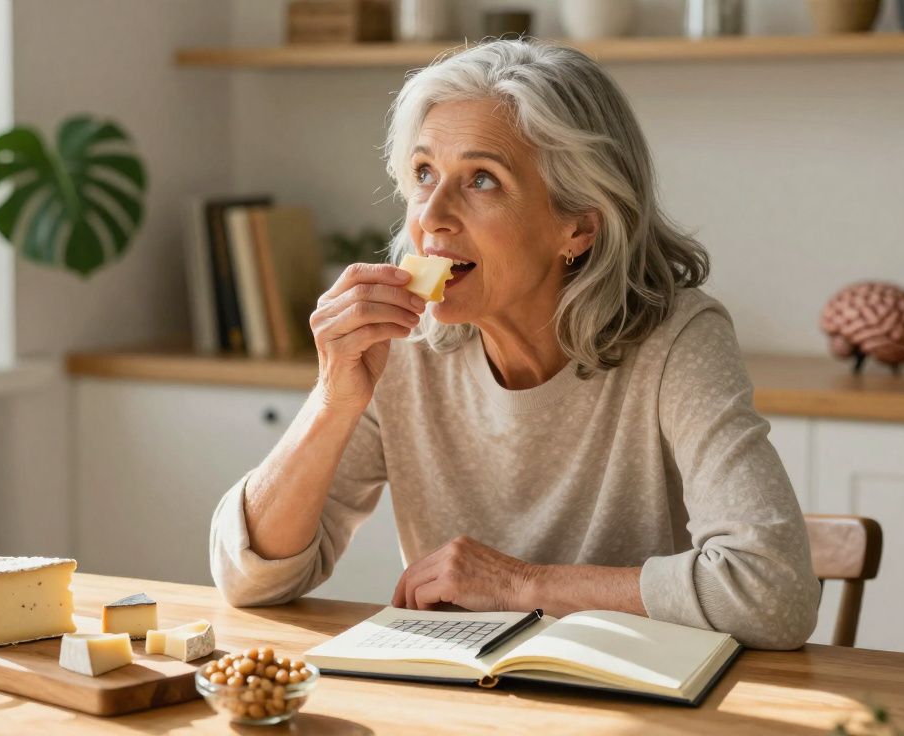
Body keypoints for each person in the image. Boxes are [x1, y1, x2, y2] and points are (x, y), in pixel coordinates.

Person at [208, 39, 819, 650]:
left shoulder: (677, 339)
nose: (432, 216)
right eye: (424, 173)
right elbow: (248, 579)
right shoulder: (402, 344)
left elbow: (773, 592)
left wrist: (522, 585)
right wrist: (331, 401)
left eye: (481, 180)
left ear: (577, 225)